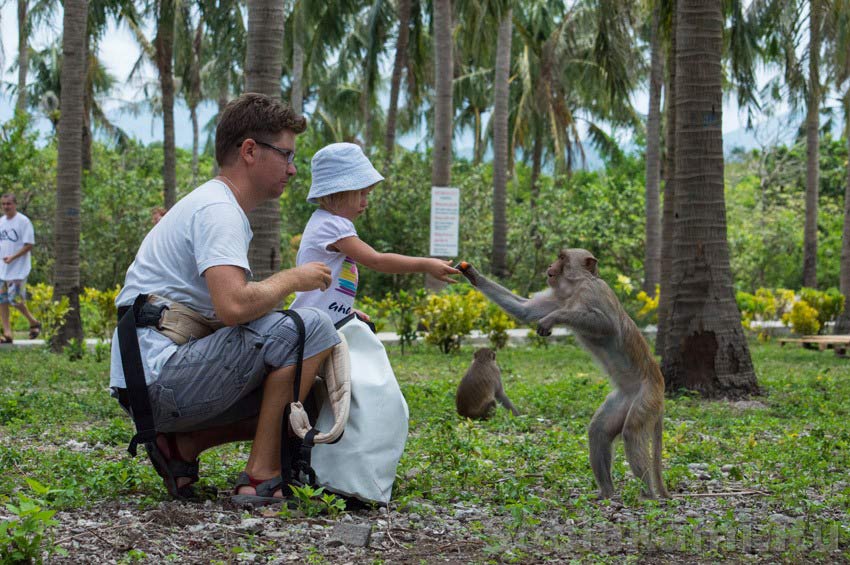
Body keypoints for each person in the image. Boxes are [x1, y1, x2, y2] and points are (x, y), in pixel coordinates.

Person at [109, 93, 340, 502]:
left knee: (306, 391)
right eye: (286, 155)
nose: (292, 168)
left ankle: (181, 448)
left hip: (145, 382)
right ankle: (261, 477)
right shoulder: (219, 210)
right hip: (160, 378)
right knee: (312, 330)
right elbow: (233, 308)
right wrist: (294, 278)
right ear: (249, 150)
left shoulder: (212, 204)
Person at [290, 142, 459, 323]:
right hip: (316, 326)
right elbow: (377, 260)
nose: (365, 202)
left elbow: (322, 293)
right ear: (337, 192)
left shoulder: (322, 222)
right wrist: (426, 265)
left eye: (367, 194)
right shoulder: (334, 226)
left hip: (317, 319)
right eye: (361, 194)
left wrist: (346, 311)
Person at [0, 193, 41, 344]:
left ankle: (34, 322)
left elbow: (29, 244)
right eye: (3, 204)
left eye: (8, 204)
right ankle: (7, 333)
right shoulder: (1, 222)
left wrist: (13, 257)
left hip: (18, 269)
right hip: (2, 269)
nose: (6, 207)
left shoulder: (23, 222)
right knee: (2, 300)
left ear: (15, 204)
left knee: (15, 300)